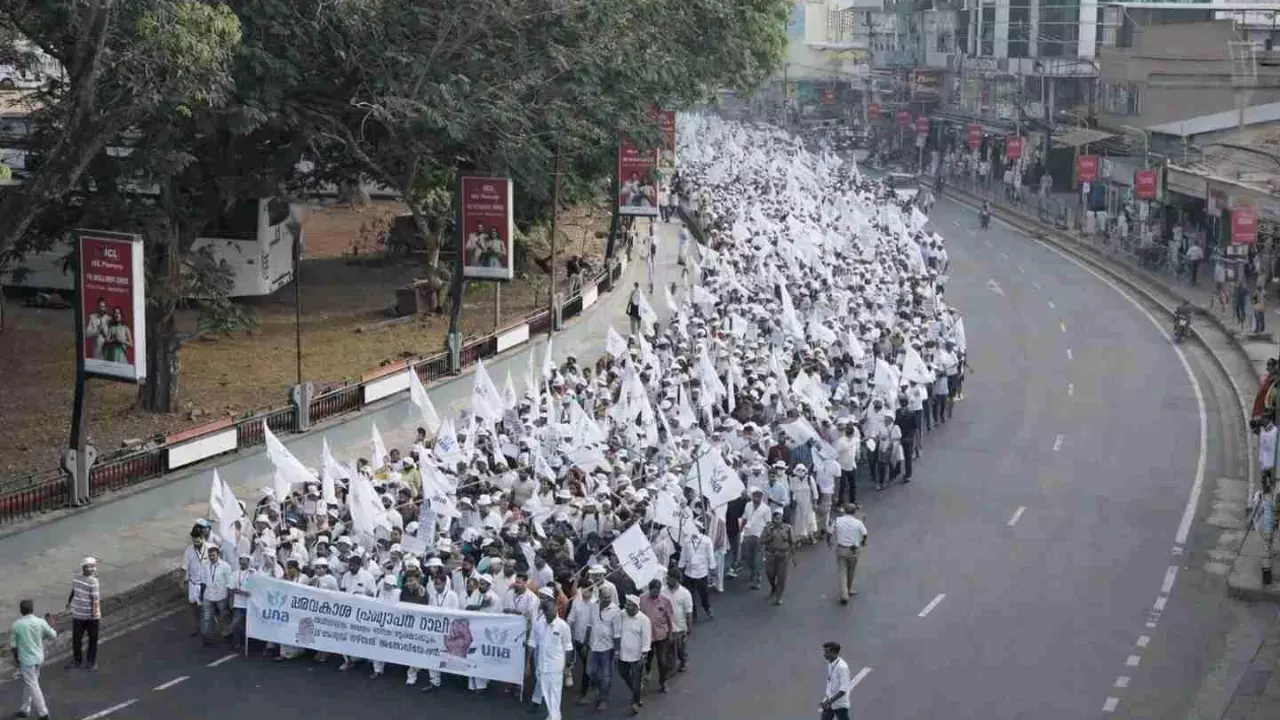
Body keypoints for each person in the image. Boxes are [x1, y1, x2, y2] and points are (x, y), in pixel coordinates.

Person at [529, 599, 574, 720]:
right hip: (542, 664)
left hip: (556, 666)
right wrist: (528, 663)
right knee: (546, 692)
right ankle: (552, 715)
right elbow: (532, 643)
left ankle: (555, 718)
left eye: (554, 609)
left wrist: (567, 666)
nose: (553, 611)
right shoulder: (538, 625)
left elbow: (568, 646)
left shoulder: (563, 626)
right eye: (549, 610)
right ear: (544, 612)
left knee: (555, 693)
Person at [10, 599, 55, 720]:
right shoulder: (40, 622)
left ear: (21, 610)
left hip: (26, 660)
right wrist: (50, 625)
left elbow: (13, 646)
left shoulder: (17, 625)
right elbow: (52, 635)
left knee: (33, 685)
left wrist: (16, 660)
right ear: (32, 609)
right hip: (38, 658)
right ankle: (25, 709)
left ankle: (44, 713)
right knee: (29, 683)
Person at [580, 586, 621, 711]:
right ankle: (598, 688)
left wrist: (617, 651)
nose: (608, 600)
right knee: (590, 671)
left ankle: (603, 699)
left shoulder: (615, 610)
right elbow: (589, 625)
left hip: (607, 648)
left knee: (606, 675)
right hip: (593, 645)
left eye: (609, 597)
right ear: (599, 597)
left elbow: (617, 633)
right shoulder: (593, 606)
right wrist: (585, 644)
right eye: (605, 597)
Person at [638, 578, 676, 694]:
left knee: (662, 661)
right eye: (654, 591)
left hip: (661, 636)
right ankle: (648, 671)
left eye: (658, 591)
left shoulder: (665, 601)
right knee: (647, 659)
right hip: (646, 637)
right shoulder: (642, 599)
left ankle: (663, 682)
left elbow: (670, 619)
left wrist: (670, 633)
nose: (656, 593)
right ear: (650, 590)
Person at [617, 595, 652, 716]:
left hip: (637, 656)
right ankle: (635, 692)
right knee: (623, 673)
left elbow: (646, 639)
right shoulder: (622, 614)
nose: (627, 607)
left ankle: (636, 702)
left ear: (636, 607)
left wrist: (644, 654)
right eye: (626, 604)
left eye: (630, 605)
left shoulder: (644, 620)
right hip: (622, 654)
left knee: (637, 681)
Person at [66, 556, 100, 671]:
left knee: (92, 640)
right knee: (76, 639)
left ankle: (91, 662)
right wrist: (69, 603)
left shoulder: (93, 582)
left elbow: (95, 600)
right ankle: (77, 660)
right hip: (78, 614)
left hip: (91, 617)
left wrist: (94, 615)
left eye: (92, 566)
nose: (91, 569)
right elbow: (74, 590)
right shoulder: (76, 579)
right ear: (83, 567)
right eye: (88, 567)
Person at [830, 504, 868, 605]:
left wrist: (828, 541)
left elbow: (830, 531)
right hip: (853, 550)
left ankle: (844, 594)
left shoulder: (838, 520)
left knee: (842, 572)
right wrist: (863, 542)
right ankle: (848, 589)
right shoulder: (858, 523)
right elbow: (865, 533)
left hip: (841, 549)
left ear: (844, 511)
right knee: (851, 571)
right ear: (854, 512)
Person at [761, 507, 797, 605]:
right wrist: (769, 537)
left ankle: (778, 597)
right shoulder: (768, 528)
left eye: (780, 519)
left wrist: (793, 557)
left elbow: (792, 542)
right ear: (773, 519)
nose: (778, 521)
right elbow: (761, 540)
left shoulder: (788, 528)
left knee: (782, 578)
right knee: (770, 575)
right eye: (776, 519)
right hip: (771, 555)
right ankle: (773, 587)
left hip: (783, 556)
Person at [661, 570, 693, 673]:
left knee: (680, 648)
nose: (668, 580)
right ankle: (670, 667)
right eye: (667, 578)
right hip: (666, 627)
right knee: (668, 649)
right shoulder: (662, 591)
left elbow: (688, 611)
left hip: (680, 627)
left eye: (670, 578)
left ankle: (683, 660)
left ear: (677, 579)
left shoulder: (685, 593)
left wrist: (689, 626)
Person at [202, 545, 233, 646]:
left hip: (221, 596)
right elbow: (203, 580)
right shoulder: (205, 565)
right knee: (207, 617)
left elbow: (229, 584)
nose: (211, 557)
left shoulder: (226, 567)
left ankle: (227, 633)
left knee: (224, 616)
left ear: (218, 555)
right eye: (210, 556)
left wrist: (229, 598)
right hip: (208, 595)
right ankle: (208, 637)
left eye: (213, 555)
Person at [820, 641, 853, 720]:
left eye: (827, 652)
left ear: (834, 653)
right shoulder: (831, 664)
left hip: (840, 704)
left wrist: (829, 701)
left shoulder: (842, 667)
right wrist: (826, 699)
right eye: (824, 651)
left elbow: (843, 689)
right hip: (830, 703)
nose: (824, 654)